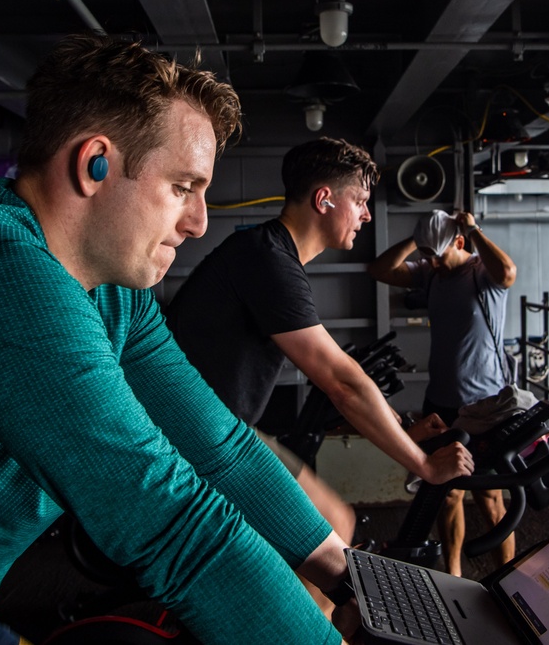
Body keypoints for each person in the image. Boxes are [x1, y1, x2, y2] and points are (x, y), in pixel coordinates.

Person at [0, 35, 358, 645]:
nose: (199, 221)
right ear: (94, 163)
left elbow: (218, 448)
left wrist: (351, 578)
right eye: (183, 187)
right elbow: (175, 524)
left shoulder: (112, 293)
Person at [165, 138, 475, 609]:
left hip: (225, 430)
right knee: (331, 549)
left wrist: (404, 432)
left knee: (337, 525)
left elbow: (342, 380)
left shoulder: (270, 254)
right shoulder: (267, 259)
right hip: (197, 444)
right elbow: (342, 382)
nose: (367, 216)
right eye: (361, 202)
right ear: (324, 199)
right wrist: (424, 465)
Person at [368, 209, 518, 577]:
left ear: (460, 243)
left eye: (438, 253)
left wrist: (474, 229)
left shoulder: (482, 272)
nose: (432, 262)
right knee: (447, 493)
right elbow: (379, 270)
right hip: (441, 401)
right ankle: (455, 578)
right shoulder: (430, 273)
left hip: (484, 405)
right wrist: (417, 241)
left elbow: (509, 273)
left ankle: (508, 581)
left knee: (490, 497)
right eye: (427, 255)